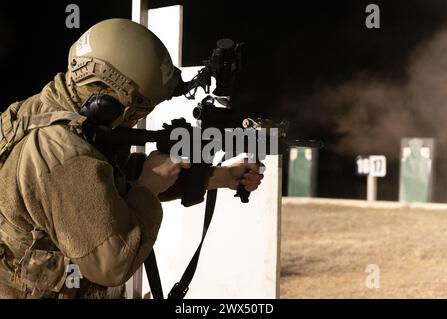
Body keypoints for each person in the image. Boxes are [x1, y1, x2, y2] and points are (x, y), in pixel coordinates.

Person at [0, 18, 263, 298]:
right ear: (110, 104)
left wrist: (222, 177)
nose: (136, 120)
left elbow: (100, 183)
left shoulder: (47, 108)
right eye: (138, 111)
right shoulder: (65, 153)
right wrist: (149, 188)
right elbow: (112, 264)